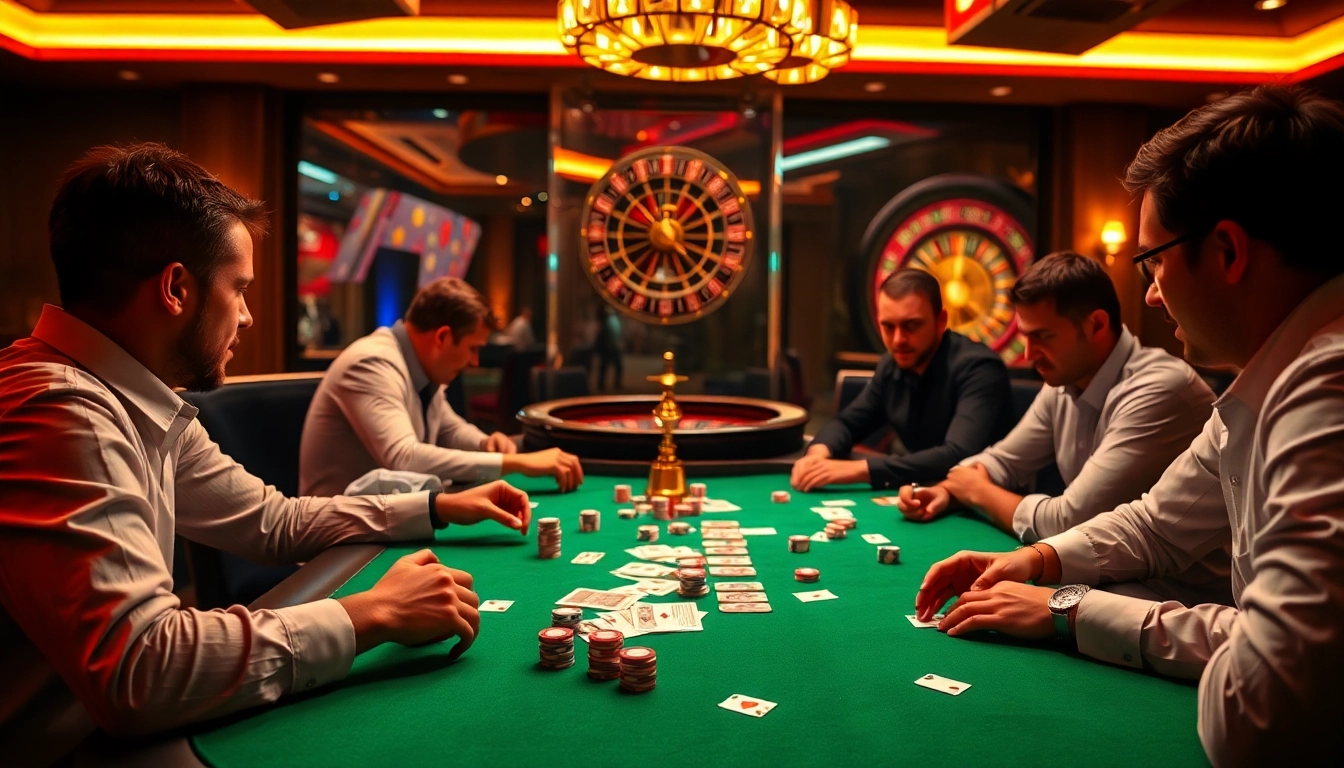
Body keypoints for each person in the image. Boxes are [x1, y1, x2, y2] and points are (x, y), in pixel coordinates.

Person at [0, 143, 532, 763]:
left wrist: (436, 507)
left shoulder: (132, 393)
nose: (250, 316)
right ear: (176, 288)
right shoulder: (64, 411)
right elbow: (140, 671)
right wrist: (369, 615)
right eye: (240, 289)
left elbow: (272, 521)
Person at [913, 86, 1344, 765]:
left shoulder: (1327, 385)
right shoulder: (1266, 382)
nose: (1148, 292)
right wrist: (1035, 561)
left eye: (1154, 263)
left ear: (1228, 252)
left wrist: (1068, 609)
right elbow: (1153, 523)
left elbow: (1257, 717)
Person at [898, 252, 1218, 545]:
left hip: (1179, 597)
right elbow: (1004, 461)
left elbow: (1070, 521)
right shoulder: (1063, 380)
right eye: (1026, 336)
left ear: (1096, 325)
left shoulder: (1159, 389)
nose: (1027, 354)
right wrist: (946, 490)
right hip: (1112, 577)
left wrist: (975, 490)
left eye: (1043, 336)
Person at [300, 279, 583, 496]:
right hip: (338, 550)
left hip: (386, 518)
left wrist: (484, 443)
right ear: (443, 337)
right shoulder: (372, 362)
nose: (474, 361)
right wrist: (517, 463)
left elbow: (448, 429)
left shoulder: (421, 365)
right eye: (473, 349)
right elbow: (404, 457)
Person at [792, 268, 1013, 492]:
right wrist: (819, 452)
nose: (898, 340)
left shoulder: (980, 369)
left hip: (985, 505)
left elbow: (957, 455)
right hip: (924, 493)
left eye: (912, 325)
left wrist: (857, 471)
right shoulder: (891, 367)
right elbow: (847, 423)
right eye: (888, 326)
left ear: (941, 321)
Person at [595, 304, 623, 392]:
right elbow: (609, 335)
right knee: (608, 366)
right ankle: (603, 385)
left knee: (607, 366)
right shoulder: (610, 321)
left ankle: (604, 385)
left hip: (611, 347)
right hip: (610, 347)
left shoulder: (611, 320)